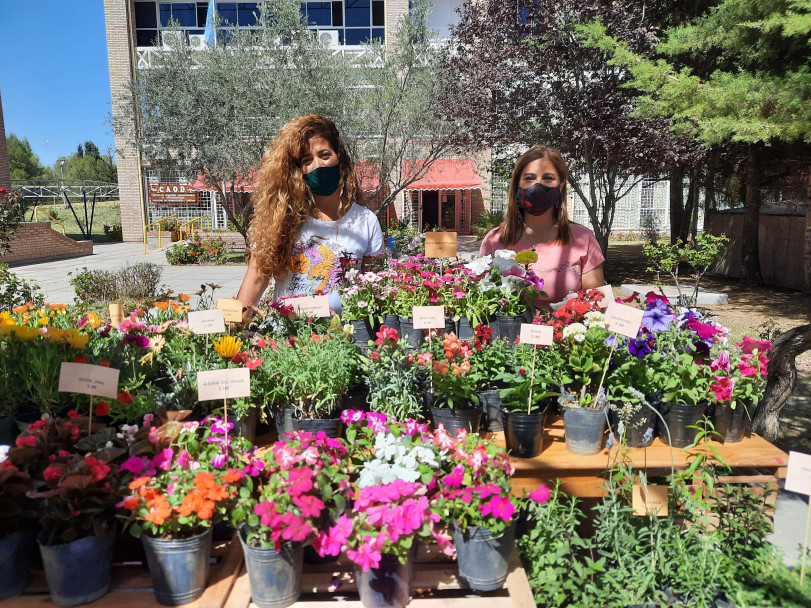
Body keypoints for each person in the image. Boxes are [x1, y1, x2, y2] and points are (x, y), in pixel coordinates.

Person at [236, 115, 383, 319]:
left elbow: (375, 288)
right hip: (288, 341)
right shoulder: (280, 221)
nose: (318, 165)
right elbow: (254, 282)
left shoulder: (366, 221)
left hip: (344, 340)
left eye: (324, 154)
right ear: (297, 171)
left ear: (339, 157)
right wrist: (227, 332)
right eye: (307, 160)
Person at [478, 145, 605, 305]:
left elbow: (596, 303)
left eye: (548, 178)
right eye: (529, 178)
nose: (537, 185)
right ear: (518, 184)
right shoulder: (495, 239)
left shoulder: (582, 239)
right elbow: (481, 299)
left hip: (562, 329)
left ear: (561, 185)